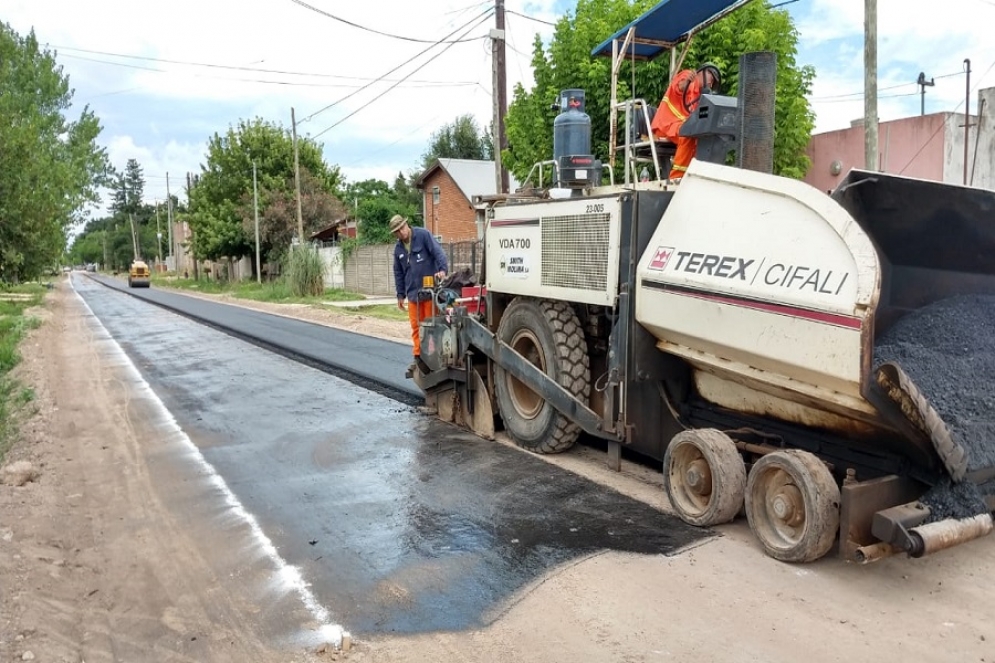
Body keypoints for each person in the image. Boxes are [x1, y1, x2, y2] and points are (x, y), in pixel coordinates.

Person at [390, 214, 448, 374]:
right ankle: (418, 358)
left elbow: (438, 253)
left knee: (431, 326)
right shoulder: (398, 249)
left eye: (402, 228)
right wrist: (400, 295)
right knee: (416, 327)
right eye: (397, 231)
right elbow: (398, 273)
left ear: (406, 225)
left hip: (429, 293)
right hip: (413, 294)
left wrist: (442, 270)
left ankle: (434, 357)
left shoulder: (423, 236)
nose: (401, 232)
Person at [650, 63, 721, 181]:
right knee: (688, 133)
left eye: (713, 81)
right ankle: (676, 178)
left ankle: (696, 176)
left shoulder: (701, 96)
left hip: (680, 125)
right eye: (711, 77)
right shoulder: (688, 76)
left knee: (703, 136)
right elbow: (679, 87)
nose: (711, 82)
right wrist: (687, 82)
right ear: (701, 72)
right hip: (667, 123)